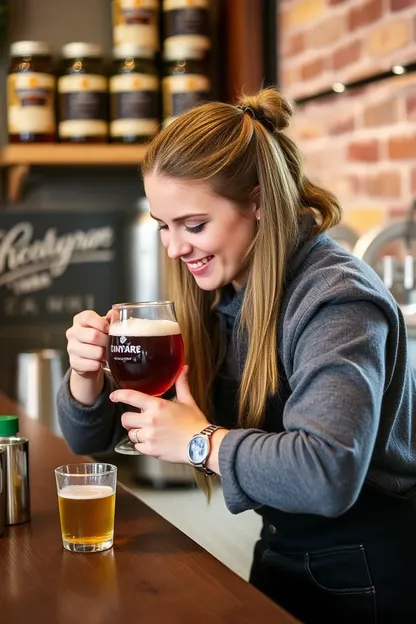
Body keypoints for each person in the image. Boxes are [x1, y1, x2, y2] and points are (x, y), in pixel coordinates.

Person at [57, 87, 416, 624]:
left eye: (193, 225)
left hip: (367, 574)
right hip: (280, 554)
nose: (175, 248)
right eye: (163, 226)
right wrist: (85, 377)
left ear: (259, 202)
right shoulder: (222, 290)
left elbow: (327, 472)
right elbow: (93, 439)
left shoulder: (336, 298)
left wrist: (200, 443)